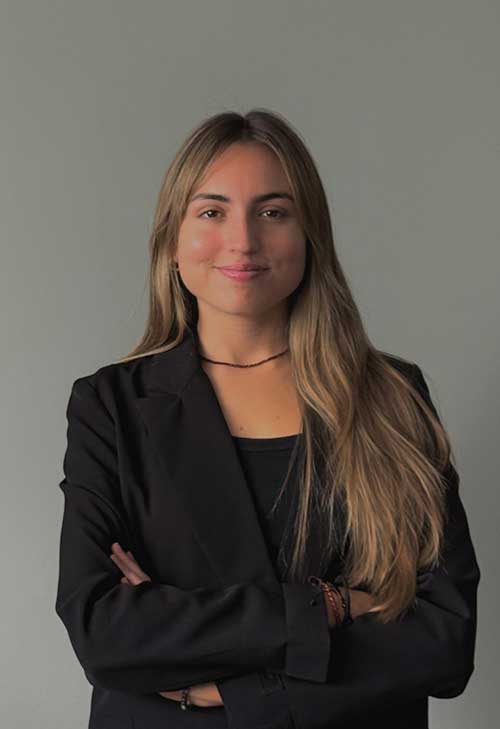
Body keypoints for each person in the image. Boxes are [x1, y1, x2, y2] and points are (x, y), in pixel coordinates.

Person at [55, 108, 480, 729]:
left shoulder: (393, 396)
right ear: (172, 241)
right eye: (211, 212)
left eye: (273, 212)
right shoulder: (109, 406)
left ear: (310, 236)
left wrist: (237, 689)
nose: (243, 240)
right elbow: (104, 632)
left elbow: (443, 640)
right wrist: (329, 605)